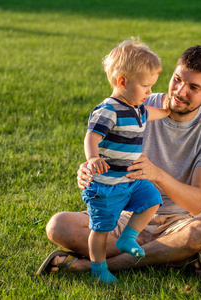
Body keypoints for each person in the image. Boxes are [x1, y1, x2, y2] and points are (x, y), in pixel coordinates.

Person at [36, 44, 201, 279]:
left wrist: (156, 174)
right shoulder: (137, 101)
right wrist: (87, 169)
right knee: (58, 226)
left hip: (178, 223)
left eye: (193, 87)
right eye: (177, 79)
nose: (179, 91)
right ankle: (170, 256)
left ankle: (96, 266)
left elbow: (197, 203)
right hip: (126, 215)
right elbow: (102, 148)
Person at [81, 38, 171, 283]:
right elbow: (91, 136)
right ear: (122, 81)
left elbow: (153, 113)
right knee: (100, 230)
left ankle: (127, 237)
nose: (150, 92)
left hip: (130, 180)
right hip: (106, 185)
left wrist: (168, 110)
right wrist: (93, 158)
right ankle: (98, 269)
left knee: (152, 199)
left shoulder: (137, 107)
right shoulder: (108, 109)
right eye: (145, 86)